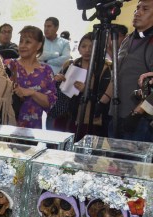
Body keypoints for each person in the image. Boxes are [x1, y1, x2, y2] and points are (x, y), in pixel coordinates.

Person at [105, 0, 153, 141]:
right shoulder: (128, 39)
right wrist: (103, 102)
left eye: (145, 9)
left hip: (141, 121)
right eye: (137, 8)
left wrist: (137, 114)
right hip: (116, 115)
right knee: (113, 162)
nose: (137, 12)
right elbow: (117, 75)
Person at [50, 32, 111, 137]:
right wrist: (57, 79)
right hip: (65, 114)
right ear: (78, 48)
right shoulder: (70, 64)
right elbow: (56, 89)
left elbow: (105, 97)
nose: (87, 50)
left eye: (92, 47)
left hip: (89, 118)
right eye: (83, 46)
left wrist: (86, 90)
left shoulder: (105, 68)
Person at [5, 26, 57, 129]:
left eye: (28, 42)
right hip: (7, 127)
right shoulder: (9, 65)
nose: (22, 45)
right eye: (21, 41)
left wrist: (32, 92)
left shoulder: (46, 70)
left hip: (33, 130)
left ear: (38, 45)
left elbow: (49, 103)